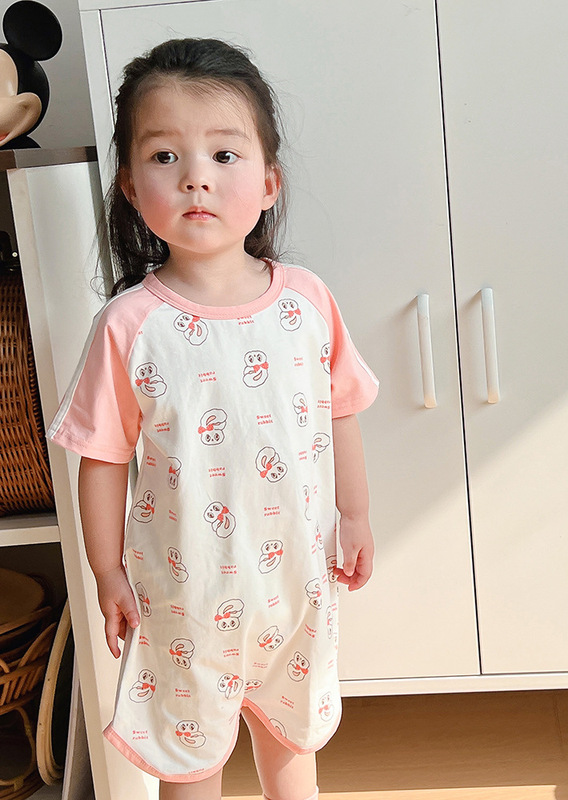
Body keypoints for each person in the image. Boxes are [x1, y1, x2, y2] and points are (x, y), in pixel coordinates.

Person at [46, 37, 379, 800]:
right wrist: (106, 571)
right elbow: (102, 459)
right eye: (165, 156)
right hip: (184, 593)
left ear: (268, 182)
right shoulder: (131, 325)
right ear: (131, 187)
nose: (196, 175)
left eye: (224, 155)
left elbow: (342, 413)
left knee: (291, 739)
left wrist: (355, 516)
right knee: (190, 758)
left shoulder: (307, 303)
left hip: (295, 581)